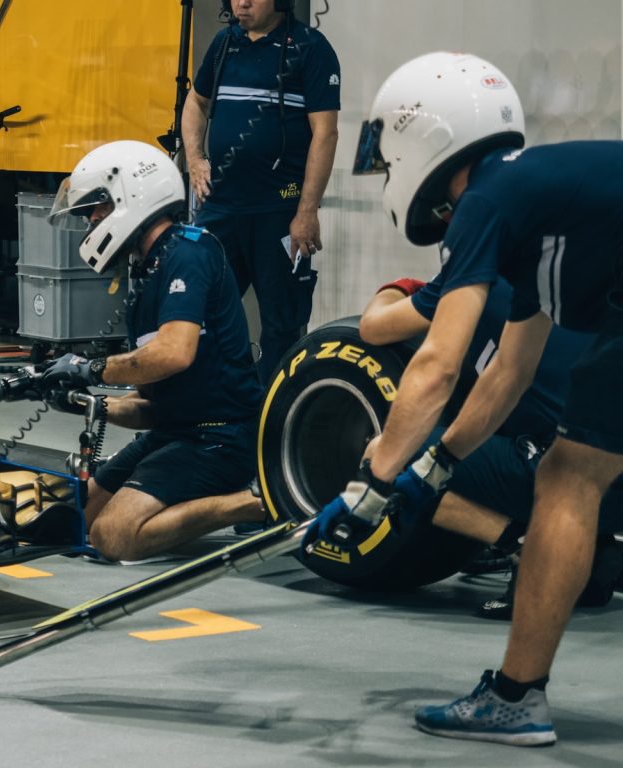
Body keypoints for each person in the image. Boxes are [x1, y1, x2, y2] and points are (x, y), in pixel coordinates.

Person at [306, 51, 623, 746]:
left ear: (427, 133)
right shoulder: (540, 204)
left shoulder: (487, 200)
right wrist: (438, 464)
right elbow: (511, 369)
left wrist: (373, 480)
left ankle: (515, 700)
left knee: (569, 476)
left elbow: (437, 367)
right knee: (575, 468)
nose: (394, 176)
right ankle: (517, 696)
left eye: (390, 158)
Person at [42, 140, 266, 563]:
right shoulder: (146, 272)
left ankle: (257, 500)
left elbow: (174, 354)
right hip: (174, 433)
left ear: (132, 194)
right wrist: (87, 402)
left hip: (222, 435)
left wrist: (91, 369)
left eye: (99, 206)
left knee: (114, 536)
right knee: (81, 517)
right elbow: (150, 406)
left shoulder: (190, 251)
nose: (92, 219)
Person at [358, 276, 622, 617]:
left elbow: (373, 327)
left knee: (385, 455)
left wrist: (404, 287)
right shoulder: (563, 272)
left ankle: (527, 548)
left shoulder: (473, 274)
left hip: (563, 476)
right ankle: (591, 549)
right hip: (608, 487)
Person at [182, 0, 339, 381]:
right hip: (220, 209)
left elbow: (325, 132)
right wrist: (195, 158)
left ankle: (272, 419)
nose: (242, 2)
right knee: (197, 313)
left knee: (281, 326)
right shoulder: (223, 44)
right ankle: (213, 408)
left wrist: (307, 211)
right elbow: (196, 103)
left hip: (278, 213)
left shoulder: (311, 47)